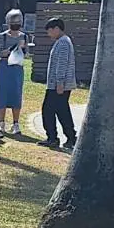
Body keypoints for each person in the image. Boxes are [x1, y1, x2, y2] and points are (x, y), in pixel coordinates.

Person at [41, 17, 77, 150]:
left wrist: (59, 82)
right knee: (62, 111)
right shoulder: (62, 42)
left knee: (48, 110)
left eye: (49, 31)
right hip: (57, 84)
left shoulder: (63, 43)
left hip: (58, 85)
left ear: (56, 29)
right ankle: (70, 137)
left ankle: (53, 138)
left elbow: (62, 64)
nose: (48, 34)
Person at [0, 10, 28, 136]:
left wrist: (22, 49)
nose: (15, 25)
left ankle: (16, 123)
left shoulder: (24, 36)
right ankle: (1, 122)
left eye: (18, 22)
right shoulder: (2, 36)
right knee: (2, 94)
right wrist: (13, 48)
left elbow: (26, 53)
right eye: (13, 22)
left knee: (16, 94)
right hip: (4, 67)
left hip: (17, 68)